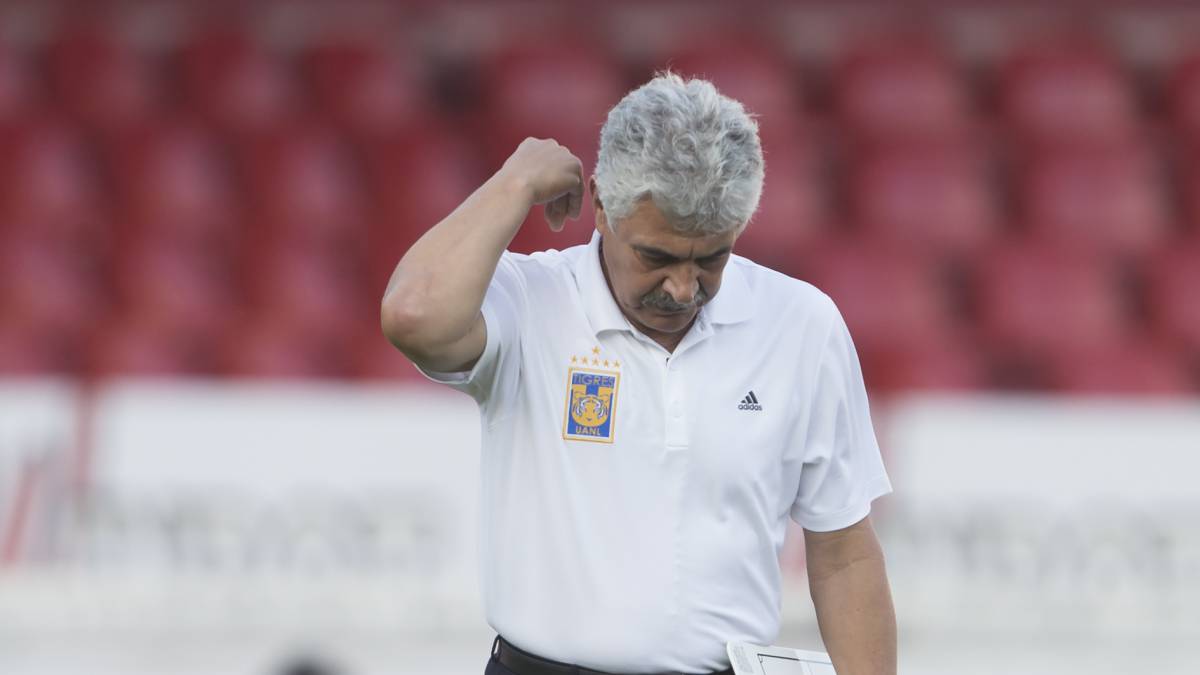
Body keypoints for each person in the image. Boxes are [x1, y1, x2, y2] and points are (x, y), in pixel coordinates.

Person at [381, 71, 896, 675]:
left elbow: (844, 555)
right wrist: (513, 183)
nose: (682, 288)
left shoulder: (802, 324)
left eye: (711, 259)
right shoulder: (529, 299)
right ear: (601, 206)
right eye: (656, 257)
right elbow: (414, 315)